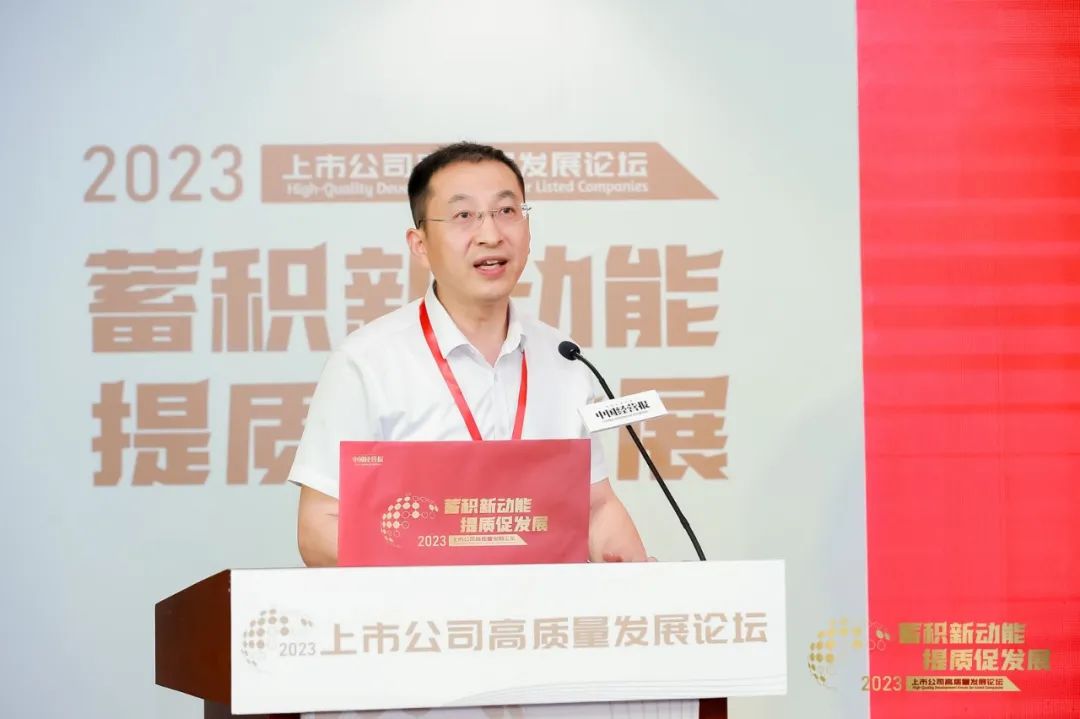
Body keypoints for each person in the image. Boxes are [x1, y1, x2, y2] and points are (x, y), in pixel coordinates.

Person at [290, 141, 648, 566]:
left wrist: (644, 582)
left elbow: (595, 508)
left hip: (541, 606)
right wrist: (443, 589)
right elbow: (320, 526)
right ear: (420, 244)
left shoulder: (563, 359)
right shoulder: (366, 363)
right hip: (422, 607)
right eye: (464, 216)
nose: (491, 235)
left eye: (507, 211)